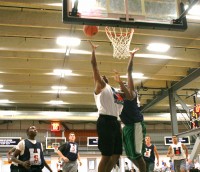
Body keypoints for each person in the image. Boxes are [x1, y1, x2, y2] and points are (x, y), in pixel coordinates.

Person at [89, 41, 131, 172]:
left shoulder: (115, 91)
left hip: (116, 122)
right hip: (105, 121)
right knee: (106, 155)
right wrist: (93, 51)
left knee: (116, 154)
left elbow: (129, 95)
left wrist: (120, 82)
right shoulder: (101, 88)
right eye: (100, 78)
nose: (102, 77)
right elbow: (94, 66)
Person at [119, 48, 146, 172]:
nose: (123, 87)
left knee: (138, 155)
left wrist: (131, 57)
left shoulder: (132, 94)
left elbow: (129, 73)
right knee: (130, 155)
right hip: (127, 127)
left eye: (124, 85)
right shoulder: (119, 98)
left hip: (136, 126)